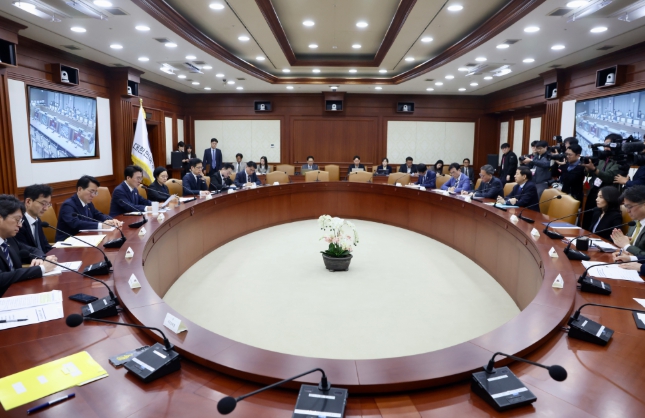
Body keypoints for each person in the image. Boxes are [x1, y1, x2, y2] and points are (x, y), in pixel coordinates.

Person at [0, 195, 57, 297]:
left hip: (18, 292)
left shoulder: (9, 239)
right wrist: (41, 269)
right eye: (17, 219)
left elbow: (32, 250)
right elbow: (1, 278)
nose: (20, 225)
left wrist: (39, 258)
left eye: (21, 221)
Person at [56, 176, 122, 242]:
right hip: (67, 243)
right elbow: (76, 223)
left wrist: (111, 220)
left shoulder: (88, 203)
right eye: (91, 191)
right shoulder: (68, 205)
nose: (93, 195)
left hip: (85, 239)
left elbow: (97, 214)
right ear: (80, 189)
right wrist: (101, 225)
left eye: (95, 192)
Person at [580, 134, 622, 230]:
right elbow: (590, 174)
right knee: (587, 219)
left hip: (607, 195)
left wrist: (594, 169)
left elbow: (609, 177)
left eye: (608, 145)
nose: (605, 148)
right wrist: (587, 168)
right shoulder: (602, 158)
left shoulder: (619, 161)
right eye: (604, 145)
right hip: (593, 191)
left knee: (599, 223)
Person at [15, 184, 53, 257]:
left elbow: (45, 245)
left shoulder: (37, 220)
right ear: (28, 202)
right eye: (43, 203)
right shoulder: (18, 224)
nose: (46, 208)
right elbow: (24, 252)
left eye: (48, 204)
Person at [610, 186, 645, 257]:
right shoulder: (634, 223)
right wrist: (621, 250)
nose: (627, 211)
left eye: (629, 207)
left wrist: (626, 246)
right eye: (626, 207)